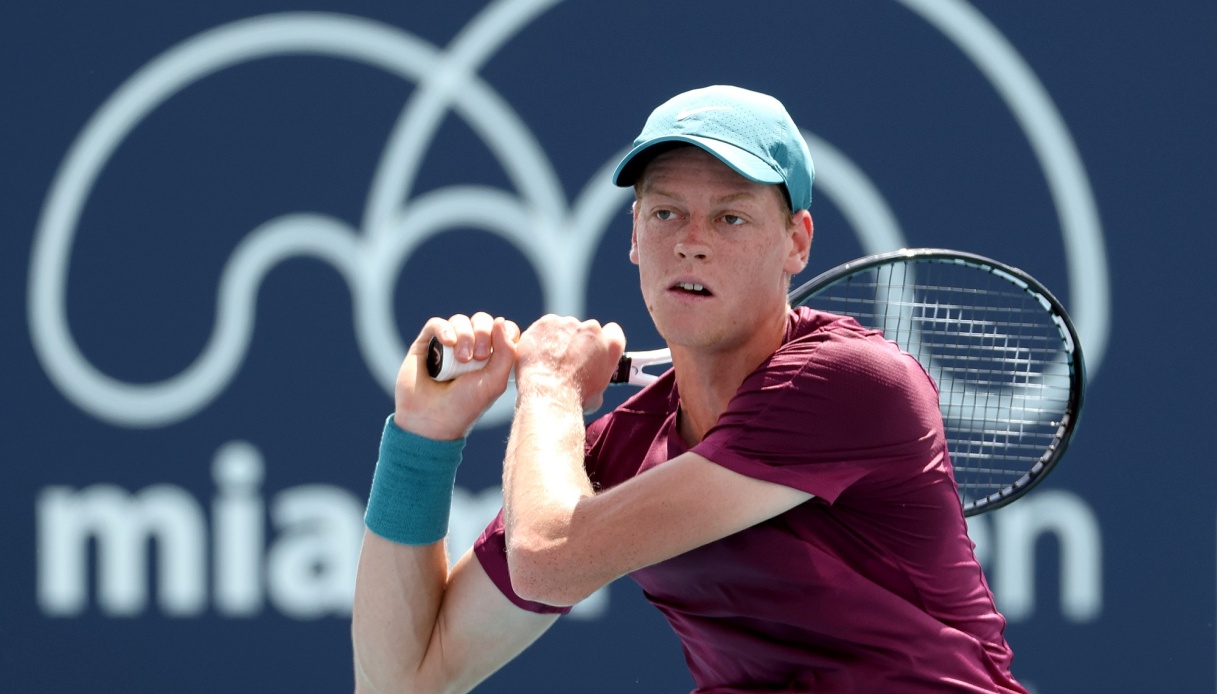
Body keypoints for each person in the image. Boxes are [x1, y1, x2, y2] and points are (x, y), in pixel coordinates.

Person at [351, 85, 1027, 693]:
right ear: (635, 238)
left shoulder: (850, 382)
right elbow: (405, 682)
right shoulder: (623, 448)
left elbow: (547, 562)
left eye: (730, 218)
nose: (691, 243)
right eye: (665, 214)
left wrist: (550, 386)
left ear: (796, 241)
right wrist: (422, 438)